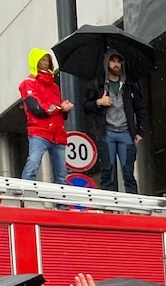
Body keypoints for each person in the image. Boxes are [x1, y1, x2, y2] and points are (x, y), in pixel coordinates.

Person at [83, 50, 148, 193]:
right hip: (106, 134)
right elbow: (85, 107)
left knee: (128, 174)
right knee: (107, 173)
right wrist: (99, 102)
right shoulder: (97, 84)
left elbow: (140, 107)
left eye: (119, 61)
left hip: (126, 133)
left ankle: (134, 209)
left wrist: (140, 131)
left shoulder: (130, 84)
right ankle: (108, 211)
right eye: (113, 61)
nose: (116, 64)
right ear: (107, 63)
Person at [19, 49, 72, 184]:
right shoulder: (28, 82)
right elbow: (36, 108)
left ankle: (62, 205)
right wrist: (60, 107)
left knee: (61, 174)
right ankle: (24, 193)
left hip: (57, 133)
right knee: (33, 164)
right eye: (42, 60)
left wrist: (64, 108)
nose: (46, 63)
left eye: (47, 60)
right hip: (39, 131)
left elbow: (55, 110)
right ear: (35, 62)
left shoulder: (54, 86)